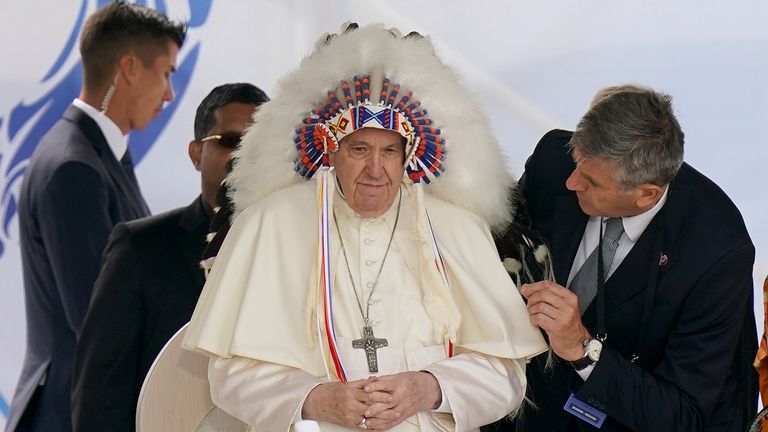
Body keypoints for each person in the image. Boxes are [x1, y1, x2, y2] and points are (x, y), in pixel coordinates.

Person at [182, 23, 547, 431]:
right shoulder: (270, 224)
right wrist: (316, 399)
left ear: (408, 154)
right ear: (330, 151)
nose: (376, 170)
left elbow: (505, 374)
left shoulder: (457, 229)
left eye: (390, 151)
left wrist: (428, 388)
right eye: (359, 149)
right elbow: (230, 375)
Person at [516, 85, 757, 431]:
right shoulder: (553, 158)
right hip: (524, 404)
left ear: (647, 194)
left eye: (591, 182)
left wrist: (582, 348)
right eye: (576, 162)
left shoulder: (716, 253)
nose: (571, 183)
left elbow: (683, 415)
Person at [7, 3, 186, 431]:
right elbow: (97, 319)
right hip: (69, 415)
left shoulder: (95, 156)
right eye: (166, 73)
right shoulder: (76, 168)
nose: (169, 94)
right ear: (129, 68)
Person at [70, 83, 269, 432]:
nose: (243, 157)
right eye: (229, 141)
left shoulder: (296, 250)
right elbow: (100, 395)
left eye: (258, 145)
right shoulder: (139, 248)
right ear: (195, 154)